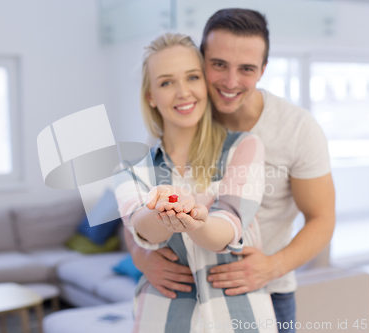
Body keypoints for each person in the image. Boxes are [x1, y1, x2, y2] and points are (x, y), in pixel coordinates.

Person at [125, 9, 336, 333]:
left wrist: (270, 267)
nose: (231, 82)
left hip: (262, 287)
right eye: (219, 64)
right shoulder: (181, 117)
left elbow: (322, 218)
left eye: (247, 69)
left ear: (263, 70)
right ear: (202, 59)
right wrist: (141, 255)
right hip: (185, 291)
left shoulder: (296, 129)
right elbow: (136, 204)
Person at [114, 32, 277, 332]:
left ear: (205, 83)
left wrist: (195, 221)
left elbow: (229, 224)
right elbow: (140, 226)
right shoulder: (130, 167)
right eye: (166, 82)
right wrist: (165, 208)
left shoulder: (244, 147)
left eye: (192, 77)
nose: (183, 92)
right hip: (161, 319)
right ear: (150, 95)